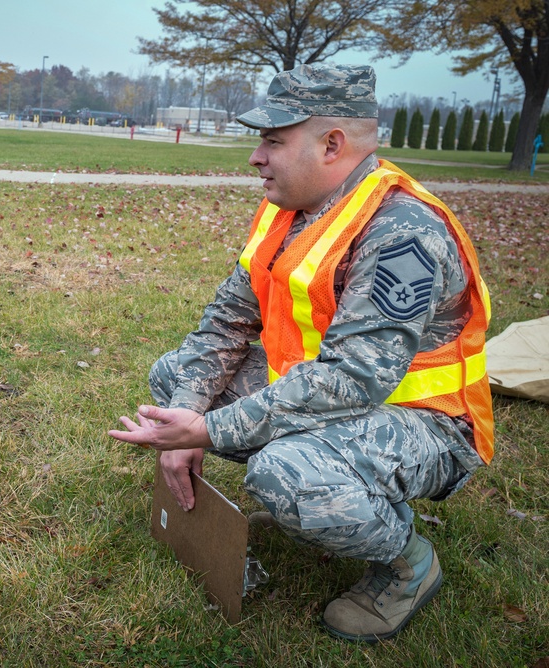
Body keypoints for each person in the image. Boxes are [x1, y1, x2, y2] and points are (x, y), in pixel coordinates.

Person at [108, 64, 494, 642]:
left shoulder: (402, 232)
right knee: (174, 377)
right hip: (328, 394)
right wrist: (184, 416)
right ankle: (319, 492)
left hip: (429, 423)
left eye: (272, 141)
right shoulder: (290, 209)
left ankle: (408, 563)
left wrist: (206, 432)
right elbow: (225, 323)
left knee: (285, 473)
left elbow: (352, 380)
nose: (255, 158)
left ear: (332, 144)